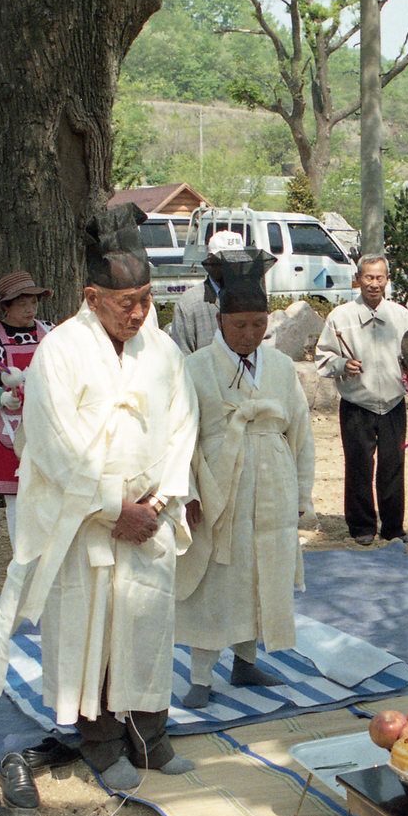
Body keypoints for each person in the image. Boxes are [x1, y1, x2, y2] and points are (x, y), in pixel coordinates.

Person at [0, 219, 198, 794]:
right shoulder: (60, 351)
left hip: (150, 512)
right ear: (92, 297)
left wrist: (160, 499)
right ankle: (101, 744)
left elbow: (184, 424)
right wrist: (112, 507)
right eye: (127, 302)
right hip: (85, 522)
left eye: (147, 300)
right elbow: (54, 445)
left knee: (148, 625)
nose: (138, 313)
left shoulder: (163, 348)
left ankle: (151, 734)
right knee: (91, 631)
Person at [174, 248, 314, 710]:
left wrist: (301, 492)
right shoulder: (194, 368)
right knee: (219, 576)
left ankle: (247, 660)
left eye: (259, 324)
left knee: (262, 572)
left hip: (273, 481)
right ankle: (200, 673)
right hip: (219, 486)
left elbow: (301, 432)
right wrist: (189, 493)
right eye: (240, 326)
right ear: (219, 322)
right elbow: (181, 438)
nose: (250, 334)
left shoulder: (280, 367)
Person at [316, 253, 408, 547]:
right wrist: (341, 365)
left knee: (393, 465)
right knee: (359, 465)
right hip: (357, 405)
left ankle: (393, 527)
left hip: (393, 404)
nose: (374, 284)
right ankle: (361, 525)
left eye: (380, 277)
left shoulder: (402, 316)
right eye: (368, 277)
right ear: (357, 279)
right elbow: (323, 356)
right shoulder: (340, 317)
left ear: (387, 280)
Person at [0, 269, 55, 540]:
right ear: (5, 305)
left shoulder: (50, 332)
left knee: (52, 494)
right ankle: (22, 557)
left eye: (33, 302)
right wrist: (2, 397)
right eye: (22, 303)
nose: (30, 308)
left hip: (51, 427)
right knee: (17, 500)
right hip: (11, 428)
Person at [167, 231, 233, 355]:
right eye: (226, 261)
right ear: (210, 262)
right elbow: (182, 359)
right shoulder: (189, 304)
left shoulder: (250, 298)